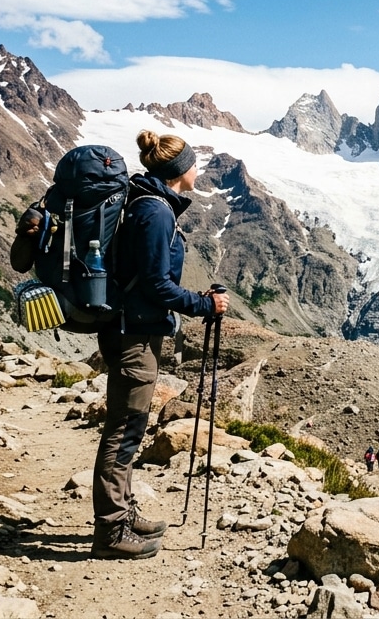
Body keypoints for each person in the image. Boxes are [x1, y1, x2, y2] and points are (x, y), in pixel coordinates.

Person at [91, 131, 229, 560]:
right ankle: (111, 531)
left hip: (132, 326)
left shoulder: (151, 203)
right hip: (134, 332)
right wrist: (203, 304)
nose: (197, 168)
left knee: (129, 428)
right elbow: (155, 285)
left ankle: (123, 514)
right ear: (178, 171)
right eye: (192, 162)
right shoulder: (155, 211)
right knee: (124, 430)